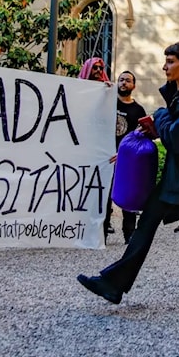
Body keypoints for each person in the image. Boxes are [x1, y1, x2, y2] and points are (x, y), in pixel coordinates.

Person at [77, 41, 179, 317]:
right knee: (147, 223)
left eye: (171, 61)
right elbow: (174, 135)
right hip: (177, 177)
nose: (165, 67)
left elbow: (178, 137)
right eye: (165, 61)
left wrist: (161, 117)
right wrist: (155, 129)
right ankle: (113, 284)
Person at [79, 57, 116, 240]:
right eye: (95, 67)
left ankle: (104, 222)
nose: (98, 70)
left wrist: (109, 93)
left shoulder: (107, 90)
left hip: (100, 147)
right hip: (83, 145)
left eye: (101, 67)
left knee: (102, 185)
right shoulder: (78, 90)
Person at [114, 71, 147, 244]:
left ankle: (129, 234)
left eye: (128, 80)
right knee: (103, 196)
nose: (124, 83)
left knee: (129, 197)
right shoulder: (108, 103)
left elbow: (141, 135)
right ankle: (100, 232)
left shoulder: (138, 110)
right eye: (121, 80)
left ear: (133, 85)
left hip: (126, 159)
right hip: (107, 157)